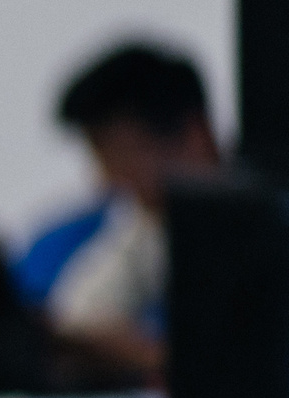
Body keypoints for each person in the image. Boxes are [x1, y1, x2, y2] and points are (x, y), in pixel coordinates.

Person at [13, 41, 222, 380]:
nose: (108, 179)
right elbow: (79, 318)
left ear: (193, 136)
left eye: (123, 155)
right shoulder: (144, 228)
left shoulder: (263, 235)